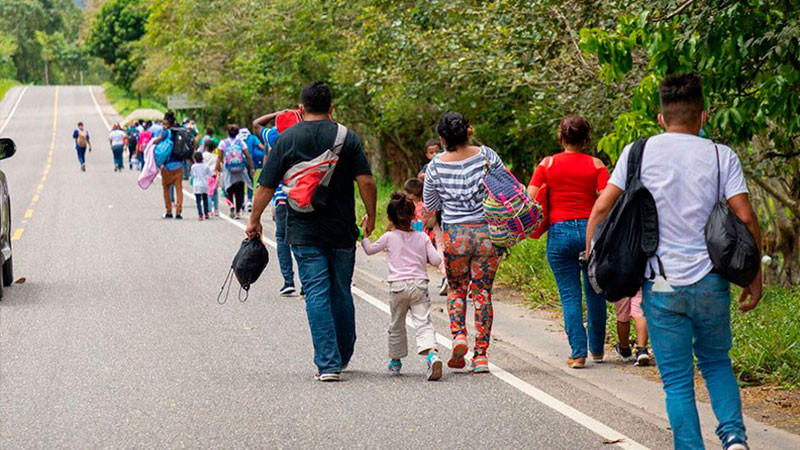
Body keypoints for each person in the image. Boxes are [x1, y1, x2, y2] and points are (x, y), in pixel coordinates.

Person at [586, 73, 762, 450]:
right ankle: (734, 439)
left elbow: (601, 209)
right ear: (703, 116)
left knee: (678, 381)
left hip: (661, 284)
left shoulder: (639, 151)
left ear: (661, 118)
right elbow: (746, 218)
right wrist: (754, 276)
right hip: (712, 281)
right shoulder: (720, 154)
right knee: (716, 362)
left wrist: (594, 262)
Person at [247, 81, 377, 382]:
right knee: (341, 290)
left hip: (303, 229)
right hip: (342, 228)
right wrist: (370, 215)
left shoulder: (286, 138)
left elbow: (266, 185)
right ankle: (342, 356)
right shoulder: (347, 136)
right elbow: (366, 181)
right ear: (332, 109)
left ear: (301, 108)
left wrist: (254, 219)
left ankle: (328, 364)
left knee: (317, 291)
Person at [423, 112, 504, 374]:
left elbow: (431, 207)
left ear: (442, 138)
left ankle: (458, 336)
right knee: (482, 293)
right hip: (486, 234)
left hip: (455, 235)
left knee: (457, 289)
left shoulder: (435, 166)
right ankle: (480, 355)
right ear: (468, 131)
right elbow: (506, 188)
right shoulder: (486, 156)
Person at [527, 115, 609, 369]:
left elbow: (530, 198)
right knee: (596, 290)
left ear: (561, 137)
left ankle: (578, 353)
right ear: (586, 139)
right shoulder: (596, 165)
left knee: (569, 295)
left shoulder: (547, 164)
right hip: (590, 231)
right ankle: (596, 349)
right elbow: (607, 201)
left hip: (560, 232)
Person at [361, 192, 443, 381]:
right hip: (420, 286)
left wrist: (364, 233)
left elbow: (369, 249)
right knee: (423, 322)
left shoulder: (389, 237)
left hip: (397, 287)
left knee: (397, 324)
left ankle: (396, 361)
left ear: (390, 217)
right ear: (414, 215)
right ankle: (432, 354)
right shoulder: (422, 237)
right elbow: (437, 260)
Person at [254, 110, 301, 297]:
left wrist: (274, 113)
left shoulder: (275, 136)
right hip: (301, 197)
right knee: (301, 239)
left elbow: (256, 123)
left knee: (282, 239)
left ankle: (288, 281)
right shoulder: (303, 136)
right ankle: (306, 282)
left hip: (281, 198)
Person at [215, 124, 255, 219]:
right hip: (240, 169)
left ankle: (231, 205)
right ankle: (238, 212)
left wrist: (218, 167)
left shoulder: (223, 143)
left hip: (228, 169)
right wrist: (252, 168)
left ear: (227, 132)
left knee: (228, 189)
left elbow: (220, 157)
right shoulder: (241, 142)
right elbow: (248, 156)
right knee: (240, 191)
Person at [151, 110, 183, 219]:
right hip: (179, 165)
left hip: (168, 166)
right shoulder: (179, 131)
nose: (163, 126)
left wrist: (154, 142)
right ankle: (178, 211)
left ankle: (169, 211)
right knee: (179, 189)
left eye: (164, 124)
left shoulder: (166, 132)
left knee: (166, 188)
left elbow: (157, 141)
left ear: (168, 124)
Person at [613, 291, 651, 366]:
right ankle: (642, 350)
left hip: (620, 283)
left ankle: (624, 349)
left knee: (622, 316)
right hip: (639, 281)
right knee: (640, 313)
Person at [238, 127, 265, 212]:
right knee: (250, 181)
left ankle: (241, 202)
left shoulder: (237, 139)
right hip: (250, 162)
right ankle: (249, 201)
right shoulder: (253, 138)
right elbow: (262, 147)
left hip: (239, 163)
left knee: (241, 182)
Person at [190, 151, 212, 221]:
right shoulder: (206, 166)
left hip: (197, 185)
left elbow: (192, 175)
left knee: (198, 201)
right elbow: (211, 174)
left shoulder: (193, 166)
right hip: (204, 184)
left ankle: (200, 214)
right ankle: (206, 213)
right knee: (205, 199)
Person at [202, 140, 220, 217]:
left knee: (208, 193)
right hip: (215, 175)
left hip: (207, 176)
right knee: (215, 193)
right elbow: (219, 166)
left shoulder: (204, 155)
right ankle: (216, 210)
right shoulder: (216, 156)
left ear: (206, 147)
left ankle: (209, 210)